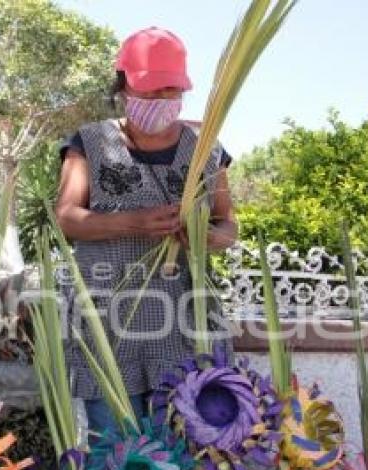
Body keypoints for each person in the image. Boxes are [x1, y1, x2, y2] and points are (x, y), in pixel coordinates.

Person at [56, 27, 238, 437]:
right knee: (120, 461)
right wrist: (134, 221)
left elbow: (229, 225)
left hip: (185, 326)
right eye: (150, 92)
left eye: (170, 92)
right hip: (108, 325)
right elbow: (66, 217)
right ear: (123, 86)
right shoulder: (90, 143)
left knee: (185, 454)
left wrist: (206, 237)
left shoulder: (207, 149)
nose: (160, 102)